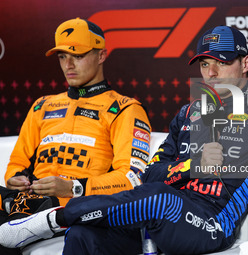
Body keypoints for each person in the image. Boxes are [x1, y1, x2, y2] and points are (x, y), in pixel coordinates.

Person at [1, 25, 248, 254]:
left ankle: (46, 221)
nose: (211, 74)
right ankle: (60, 225)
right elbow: (151, 173)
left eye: (222, 63)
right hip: (155, 217)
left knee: (161, 198)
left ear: (245, 63)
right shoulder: (189, 113)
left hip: (211, 222)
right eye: (205, 64)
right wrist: (193, 165)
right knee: (84, 236)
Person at [0, 18, 150, 254]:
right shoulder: (42, 105)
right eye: (62, 57)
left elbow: (132, 178)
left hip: (83, 208)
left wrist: (73, 187)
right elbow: (17, 164)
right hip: (31, 206)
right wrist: (16, 179)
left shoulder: (125, 108)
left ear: (101, 55)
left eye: (77, 56)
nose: (68, 64)